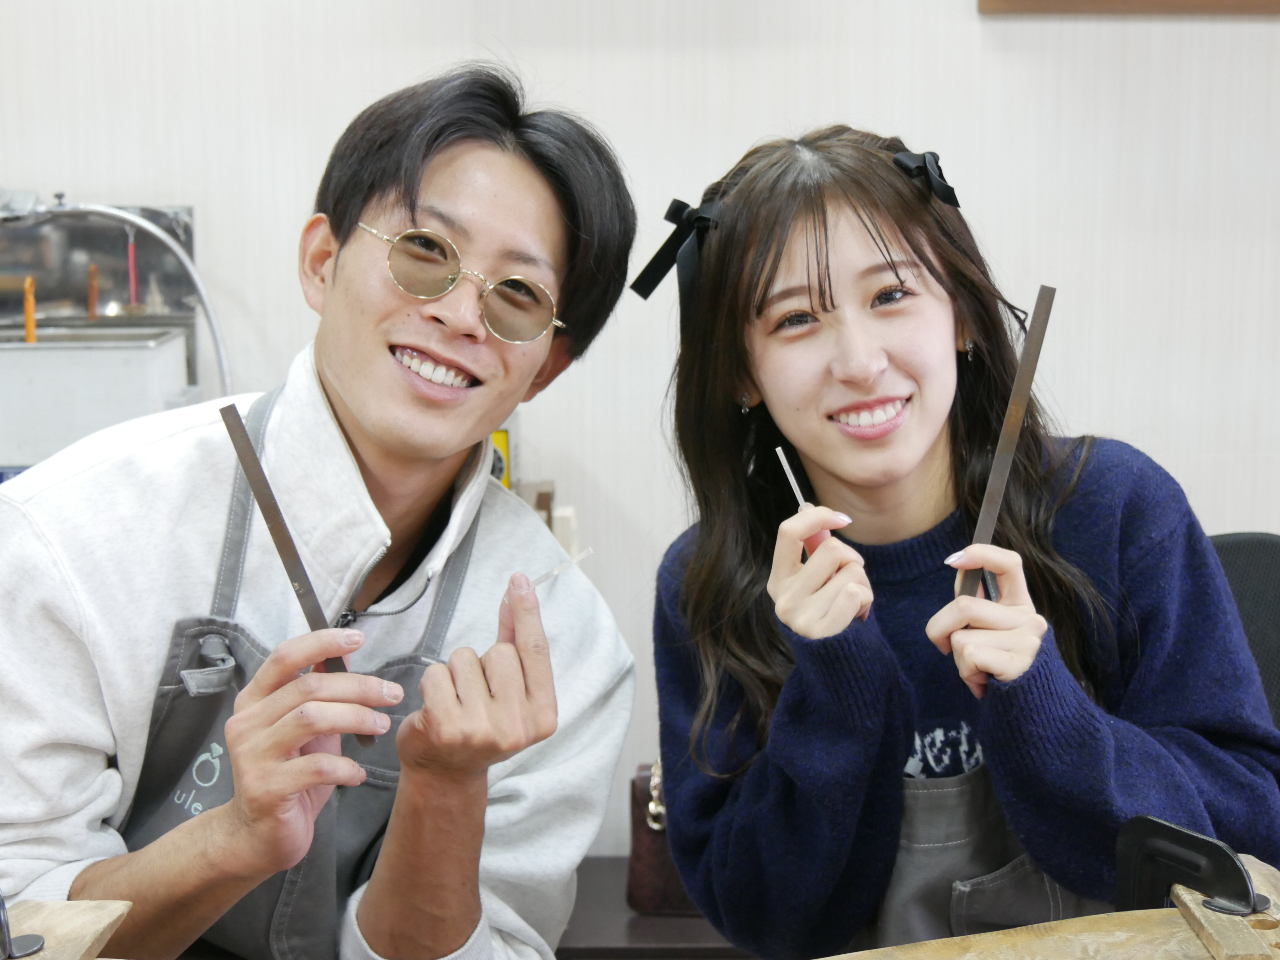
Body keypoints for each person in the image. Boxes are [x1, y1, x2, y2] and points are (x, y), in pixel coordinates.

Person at [0, 64, 637, 960]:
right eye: (425, 250)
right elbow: (23, 922)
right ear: (321, 261)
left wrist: (445, 787)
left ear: (548, 367)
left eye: (519, 295)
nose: (462, 315)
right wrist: (232, 838)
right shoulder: (71, 533)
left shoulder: (564, 642)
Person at [640, 126, 1280, 958]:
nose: (859, 362)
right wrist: (835, 688)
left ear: (963, 318)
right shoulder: (710, 582)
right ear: (739, 374)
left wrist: (1048, 708)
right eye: (796, 318)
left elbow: (1254, 822)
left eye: (891, 295)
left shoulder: (1116, 508)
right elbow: (760, 916)